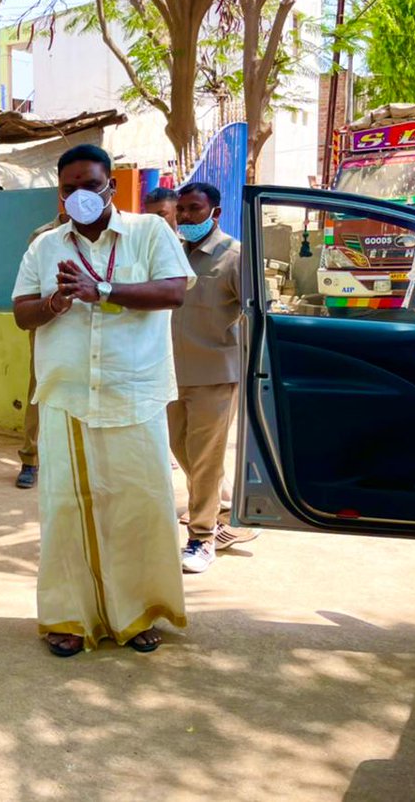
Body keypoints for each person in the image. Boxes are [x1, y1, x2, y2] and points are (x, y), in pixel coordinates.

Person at [11, 144, 194, 657]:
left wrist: (103, 288)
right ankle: (69, 618)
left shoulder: (149, 232)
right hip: (67, 397)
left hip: (133, 392)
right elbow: (22, 312)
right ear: (60, 194)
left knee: (139, 507)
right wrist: (52, 303)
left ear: (110, 186)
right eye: (69, 188)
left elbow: (175, 291)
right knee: (65, 510)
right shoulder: (45, 247)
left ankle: (136, 615)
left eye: (90, 185)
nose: (79, 195)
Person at [169, 182, 255, 572]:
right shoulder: (171, 253)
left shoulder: (235, 257)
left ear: (215, 213)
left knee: (204, 458)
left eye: (194, 209)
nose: (185, 217)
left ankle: (202, 537)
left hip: (215, 375)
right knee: (180, 449)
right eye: (181, 210)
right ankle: (222, 505)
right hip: (170, 374)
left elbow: (255, 314)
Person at [16, 207, 68, 490]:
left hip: (89, 327)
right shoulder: (43, 236)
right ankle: (30, 459)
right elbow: (29, 286)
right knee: (39, 390)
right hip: (47, 324)